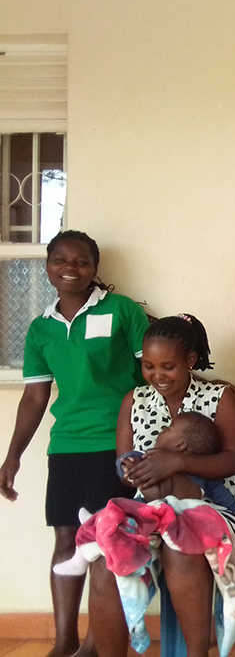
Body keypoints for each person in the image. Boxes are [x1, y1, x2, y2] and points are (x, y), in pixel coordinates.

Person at [0, 229, 148, 657]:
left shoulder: (122, 311)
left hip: (116, 444)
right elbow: (34, 396)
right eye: (61, 260)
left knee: (104, 543)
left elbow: (153, 376)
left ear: (95, 269)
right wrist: (13, 456)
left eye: (82, 262)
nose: (71, 269)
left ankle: (96, 643)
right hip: (66, 447)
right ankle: (64, 640)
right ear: (48, 266)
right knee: (67, 542)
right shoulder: (41, 328)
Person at [85, 313, 235, 657]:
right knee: (104, 561)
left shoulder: (220, 396)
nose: (157, 375)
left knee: (182, 547)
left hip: (214, 510)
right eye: (148, 366)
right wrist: (130, 469)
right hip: (150, 509)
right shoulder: (134, 400)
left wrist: (178, 462)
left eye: (168, 366)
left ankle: (195, 654)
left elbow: (233, 460)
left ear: (190, 361)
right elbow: (123, 461)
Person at [54, 412, 235, 576]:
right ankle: (83, 551)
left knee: (117, 512)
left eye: (169, 428)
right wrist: (128, 465)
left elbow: (219, 492)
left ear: (180, 445)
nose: (162, 429)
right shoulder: (148, 457)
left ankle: (96, 523)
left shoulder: (199, 473)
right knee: (116, 512)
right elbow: (126, 462)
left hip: (161, 512)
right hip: (149, 508)